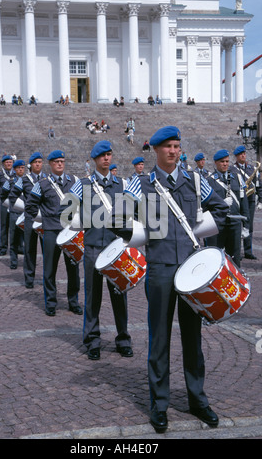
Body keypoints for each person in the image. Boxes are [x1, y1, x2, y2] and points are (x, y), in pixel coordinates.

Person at [111, 126, 228, 433]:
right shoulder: (141, 183)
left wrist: (200, 231)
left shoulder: (195, 180)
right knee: (159, 339)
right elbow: (118, 217)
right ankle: (159, 404)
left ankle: (197, 400)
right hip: (160, 268)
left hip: (192, 270)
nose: (174, 151)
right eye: (168, 147)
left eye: (177, 146)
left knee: (193, 338)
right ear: (157, 150)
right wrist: (139, 235)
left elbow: (222, 209)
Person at [67, 140, 133, 360]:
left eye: (109, 154)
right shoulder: (83, 185)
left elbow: (139, 206)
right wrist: (84, 221)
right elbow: (65, 210)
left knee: (119, 295)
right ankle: (92, 340)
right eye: (102, 155)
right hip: (94, 247)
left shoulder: (122, 184)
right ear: (95, 159)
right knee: (92, 296)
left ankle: (123, 338)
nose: (106, 158)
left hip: (116, 248)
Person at [25, 150, 82, 316]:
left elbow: (82, 202)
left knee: (73, 269)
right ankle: (50, 302)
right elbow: (30, 206)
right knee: (49, 268)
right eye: (56, 161)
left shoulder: (74, 181)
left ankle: (73, 301)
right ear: (50, 164)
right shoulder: (42, 184)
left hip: (70, 231)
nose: (60, 164)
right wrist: (46, 219)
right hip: (51, 231)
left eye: (62, 161)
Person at [206, 149, 250, 268]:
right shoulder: (209, 180)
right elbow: (206, 205)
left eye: (227, 161)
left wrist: (246, 225)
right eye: (222, 162)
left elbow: (243, 202)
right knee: (215, 256)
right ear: (216, 163)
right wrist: (221, 203)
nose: (225, 164)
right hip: (217, 223)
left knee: (235, 257)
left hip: (234, 222)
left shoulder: (237, 178)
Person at [9, 152, 46, 288]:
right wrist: (26, 208)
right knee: (30, 249)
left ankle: (47, 277)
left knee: (46, 250)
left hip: (44, 220)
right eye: (35, 162)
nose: (38, 164)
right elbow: (12, 196)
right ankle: (29, 278)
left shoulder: (46, 178)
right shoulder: (24, 180)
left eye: (40, 162)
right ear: (31, 164)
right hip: (30, 218)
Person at [231, 145, 262, 260]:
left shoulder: (251, 168)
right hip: (239, 200)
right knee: (237, 226)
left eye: (244, 154)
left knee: (249, 225)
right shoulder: (232, 169)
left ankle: (248, 251)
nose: (243, 156)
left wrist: (260, 199)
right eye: (241, 154)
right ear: (236, 156)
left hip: (250, 200)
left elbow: (258, 184)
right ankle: (237, 252)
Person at [0, 160, 26, 269]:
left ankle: (27, 261)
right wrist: (10, 205)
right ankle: (13, 261)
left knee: (26, 238)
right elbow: (3, 194)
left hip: (25, 213)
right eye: (18, 168)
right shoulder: (10, 181)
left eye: (22, 168)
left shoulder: (27, 180)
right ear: (15, 170)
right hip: (14, 212)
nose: (21, 169)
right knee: (14, 238)